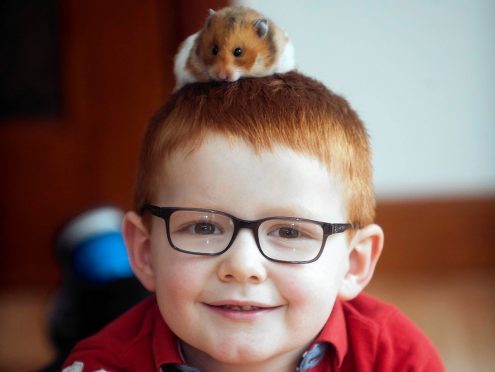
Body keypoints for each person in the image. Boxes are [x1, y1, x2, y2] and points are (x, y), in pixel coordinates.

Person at [62, 72, 444, 371]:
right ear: (145, 252)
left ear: (354, 263)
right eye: (204, 227)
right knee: (106, 300)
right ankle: (97, 261)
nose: (242, 267)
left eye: (290, 231)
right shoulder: (101, 366)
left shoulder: (396, 358)